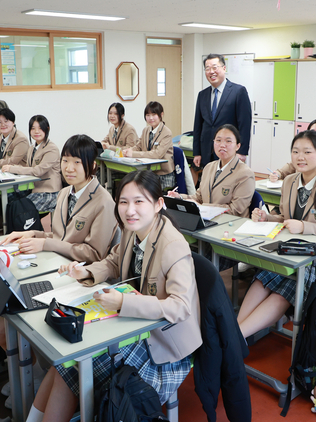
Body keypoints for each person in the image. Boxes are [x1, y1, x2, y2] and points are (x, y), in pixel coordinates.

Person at [27, 170, 202, 422]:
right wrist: (86, 271)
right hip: (135, 328)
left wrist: (123, 302)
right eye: (123, 202)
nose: (130, 210)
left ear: (158, 204)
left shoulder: (173, 245)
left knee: (73, 366)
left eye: (139, 201)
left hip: (163, 347)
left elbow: (181, 307)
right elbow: (112, 261)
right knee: (65, 365)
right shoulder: (133, 230)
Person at [0, 134, 118, 364]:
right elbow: (59, 236)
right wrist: (34, 234)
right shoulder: (64, 193)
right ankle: (30, 364)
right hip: (53, 269)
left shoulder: (104, 201)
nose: (69, 168)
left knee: (3, 327)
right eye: (65, 160)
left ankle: (35, 367)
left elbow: (95, 254)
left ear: (92, 165)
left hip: (78, 278)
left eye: (77, 162)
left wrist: (45, 243)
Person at [237, 131, 316, 338]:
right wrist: (267, 218)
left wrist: (305, 227)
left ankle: (235, 339)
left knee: (284, 291)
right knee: (262, 278)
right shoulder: (289, 181)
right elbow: (286, 218)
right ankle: (235, 333)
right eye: (296, 151)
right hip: (290, 251)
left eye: (307, 152)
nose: (300, 157)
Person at [168, 124, 255, 217]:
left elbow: (236, 210)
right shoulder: (209, 167)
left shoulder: (245, 173)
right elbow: (199, 197)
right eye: (218, 140)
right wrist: (180, 197)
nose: (222, 145)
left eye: (228, 141)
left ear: (237, 146)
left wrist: (202, 207)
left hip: (230, 222)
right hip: (207, 219)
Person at [192, 53, 252, 168]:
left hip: (229, 151)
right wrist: (197, 152)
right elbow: (198, 126)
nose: (211, 72)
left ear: (224, 68)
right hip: (207, 152)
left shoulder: (238, 91)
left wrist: (242, 151)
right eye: (207, 69)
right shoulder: (202, 95)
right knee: (209, 179)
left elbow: (244, 125)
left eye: (215, 67)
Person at [2, 115, 61, 213]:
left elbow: (38, 171)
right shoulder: (32, 148)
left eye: (40, 128)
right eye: (33, 128)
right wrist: (12, 168)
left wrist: (12, 168)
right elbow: (28, 168)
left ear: (47, 129)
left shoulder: (52, 149)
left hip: (49, 192)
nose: (36, 132)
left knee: (20, 208)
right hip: (34, 189)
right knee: (7, 200)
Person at [122, 101, 175, 190]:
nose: (151, 118)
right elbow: (138, 146)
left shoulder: (166, 132)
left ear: (161, 114)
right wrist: (129, 150)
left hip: (163, 174)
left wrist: (133, 154)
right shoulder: (146, 130)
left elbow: (157, 154)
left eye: (154, 115)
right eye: (148, 115)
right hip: (149, 171)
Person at [270, 118, 316, 182]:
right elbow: (284, 170)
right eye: (312, 133)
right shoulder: (301, 157)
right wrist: (277, 174)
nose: (315, 136)